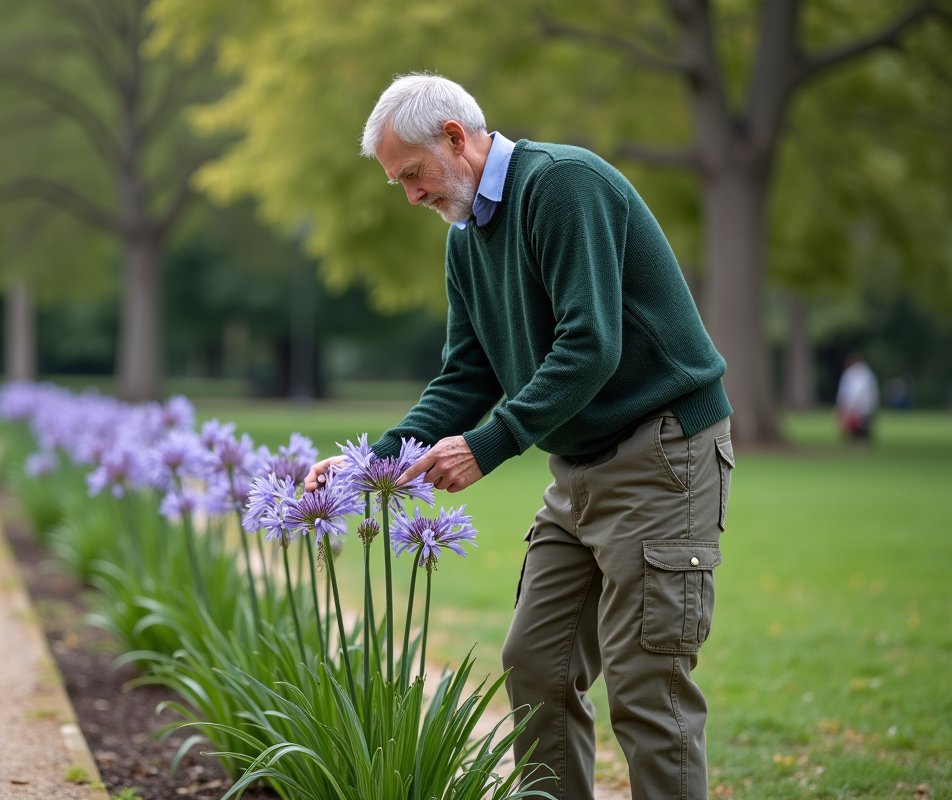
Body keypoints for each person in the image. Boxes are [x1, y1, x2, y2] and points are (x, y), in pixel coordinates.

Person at [305, 75, 734, 800]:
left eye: (412, 175)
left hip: (662, 452)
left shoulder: (563, 186)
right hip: (578, 467)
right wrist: (368, 463)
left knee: (647, 689)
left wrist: (491, 444)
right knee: (534, 664)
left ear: (453, 136)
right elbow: (465, 377)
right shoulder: (466, 241)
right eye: (398, 183)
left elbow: (589, 344)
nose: (410, 196)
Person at [835, 353, 878, 443]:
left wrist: (846, 405)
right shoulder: (868, 373)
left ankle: (857, 443)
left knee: (859, 427)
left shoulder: (851, 374)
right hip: (866, 405)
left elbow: (849, 392)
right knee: (863, 426)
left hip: (857, 405)